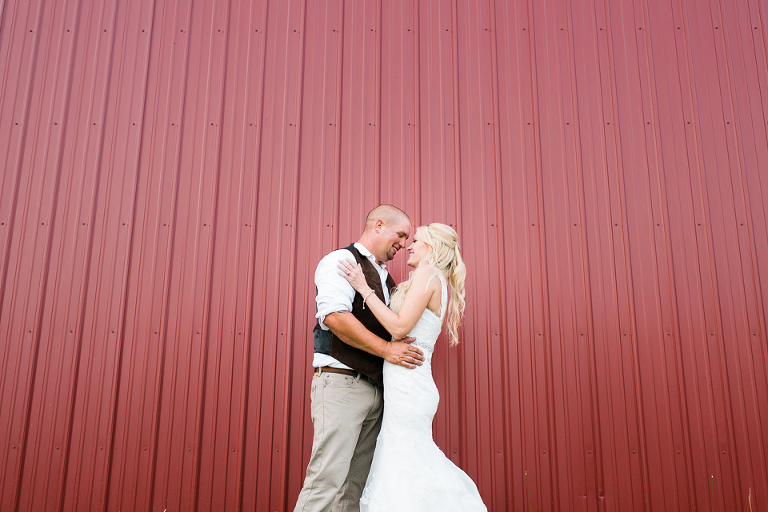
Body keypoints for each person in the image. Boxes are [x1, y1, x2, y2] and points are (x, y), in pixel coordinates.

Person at [337, 223, 487, 511]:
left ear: (432, 246)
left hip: (409, 389)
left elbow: (399, 327)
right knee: (406, 465)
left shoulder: (428, 274)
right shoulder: (434, 279)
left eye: (416, 241)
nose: (409, 245)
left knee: (404, 465)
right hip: (409, 386)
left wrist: (363, 288)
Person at [294, 205, 426, 512]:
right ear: (378, 225)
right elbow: (335, 317)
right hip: (342, 385)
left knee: (355, 487)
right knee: (327, 480)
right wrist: (387, 349)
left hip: (376, 392)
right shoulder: (341, 260)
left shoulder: (385, 278)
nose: (404, 243)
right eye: (401, 234)